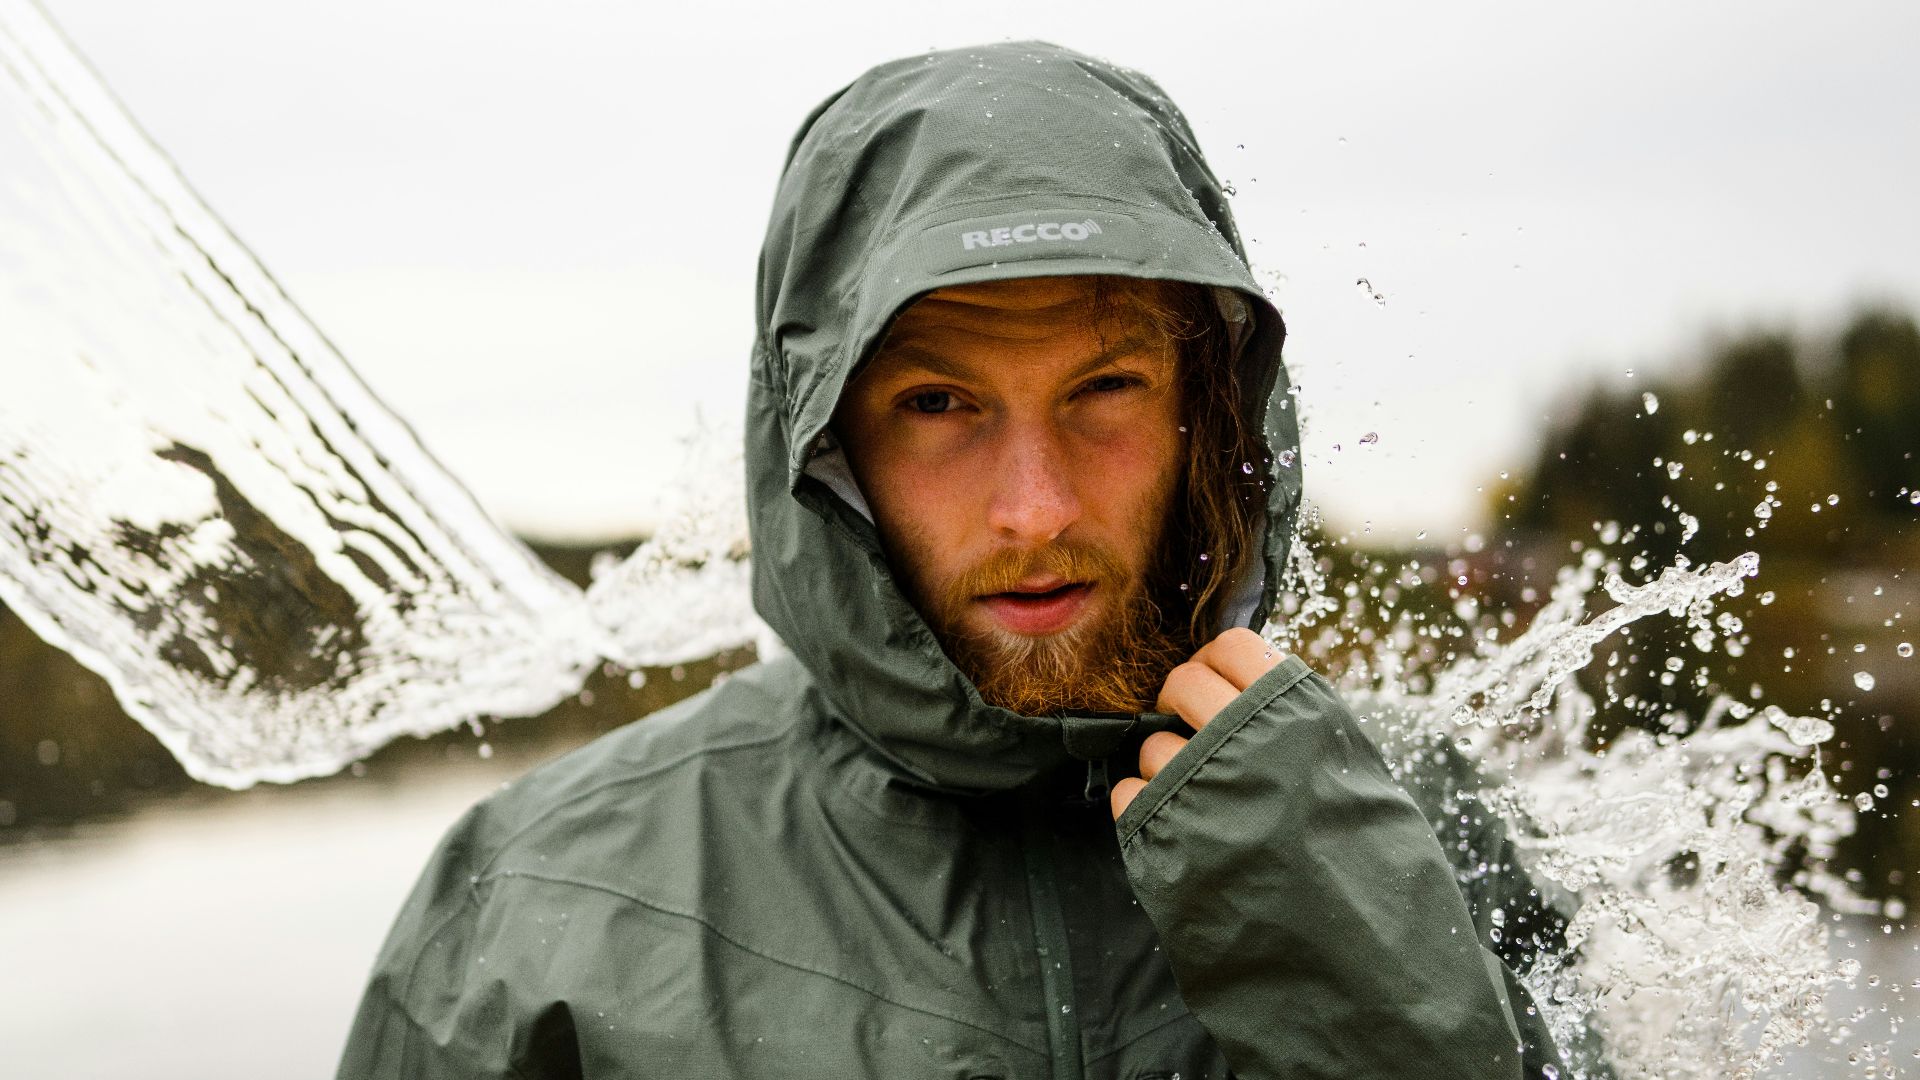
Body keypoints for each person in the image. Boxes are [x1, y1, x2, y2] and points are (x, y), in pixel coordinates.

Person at [338, 41, 1586, 1079]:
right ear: (826, 444)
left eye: (1105, 387)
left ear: (1208, 416)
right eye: (939, 406)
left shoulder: (1408, 823)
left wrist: (1384, 1019)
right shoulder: (536, 907)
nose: (1033, 512)